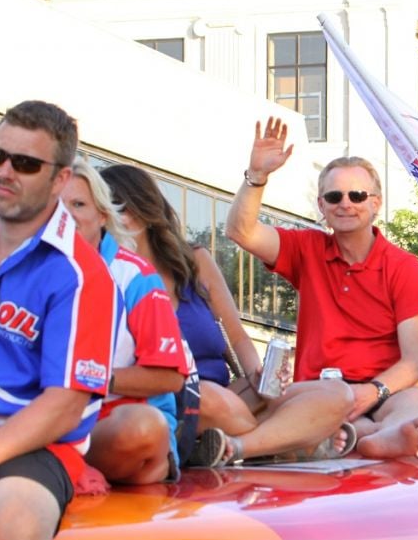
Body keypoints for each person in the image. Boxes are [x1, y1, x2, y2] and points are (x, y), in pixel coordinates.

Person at [101, 163, 353, 465]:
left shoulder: (193, 261)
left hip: (232, 394)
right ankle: (289, 444)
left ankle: (236, 446)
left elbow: (235, 333)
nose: (113, 218)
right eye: (105, 209)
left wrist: (259, 376)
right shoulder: (106, 273)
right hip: (172, 398)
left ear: (144, 208)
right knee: (207, 396)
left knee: (336, 394)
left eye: (120, 207)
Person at [0, 100, 117, 540]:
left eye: (25, 163)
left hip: (21, 445)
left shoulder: (82, 275)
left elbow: (65, 404)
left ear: (59, 179)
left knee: (19, 522)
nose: (5, 172)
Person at [225, 118, 418, 459]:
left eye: (357, 195)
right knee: (333, 399)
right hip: (319, 392)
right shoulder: (306, 248)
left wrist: (373, 391)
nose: (345, 203)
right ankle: (370, 436)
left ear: (375, 203)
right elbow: (241, 232)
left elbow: (415, 362)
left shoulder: (403, 266)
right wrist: (256, 176)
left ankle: (362, 434)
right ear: (321, 206)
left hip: (382, 393)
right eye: (334, 196)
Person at [62, 159, 188, 484]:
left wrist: (86, 378)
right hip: (41, 425)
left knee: (142, 426)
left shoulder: (134, 276)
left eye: (78, 204)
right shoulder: (21, 267)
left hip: (113, 427)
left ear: (102, 215)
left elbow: (170, 378)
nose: (67, 214)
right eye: (56, 204)